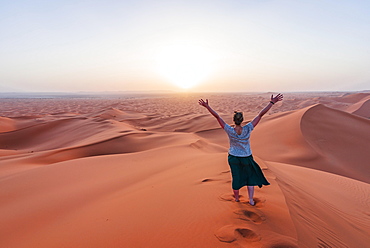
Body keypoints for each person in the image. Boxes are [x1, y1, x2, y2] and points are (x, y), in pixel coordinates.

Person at [198, 94, 283, 205]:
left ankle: (237, 199)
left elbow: (217, 117)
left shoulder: (229, 130)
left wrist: (207, 107)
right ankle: (251, 200)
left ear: (234, 120)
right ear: (242, 120)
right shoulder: (248, 128)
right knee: (250, 178)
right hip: (246, 157)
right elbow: (260, 115)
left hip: (233, 157)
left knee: (236, 177)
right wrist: (272, 103)